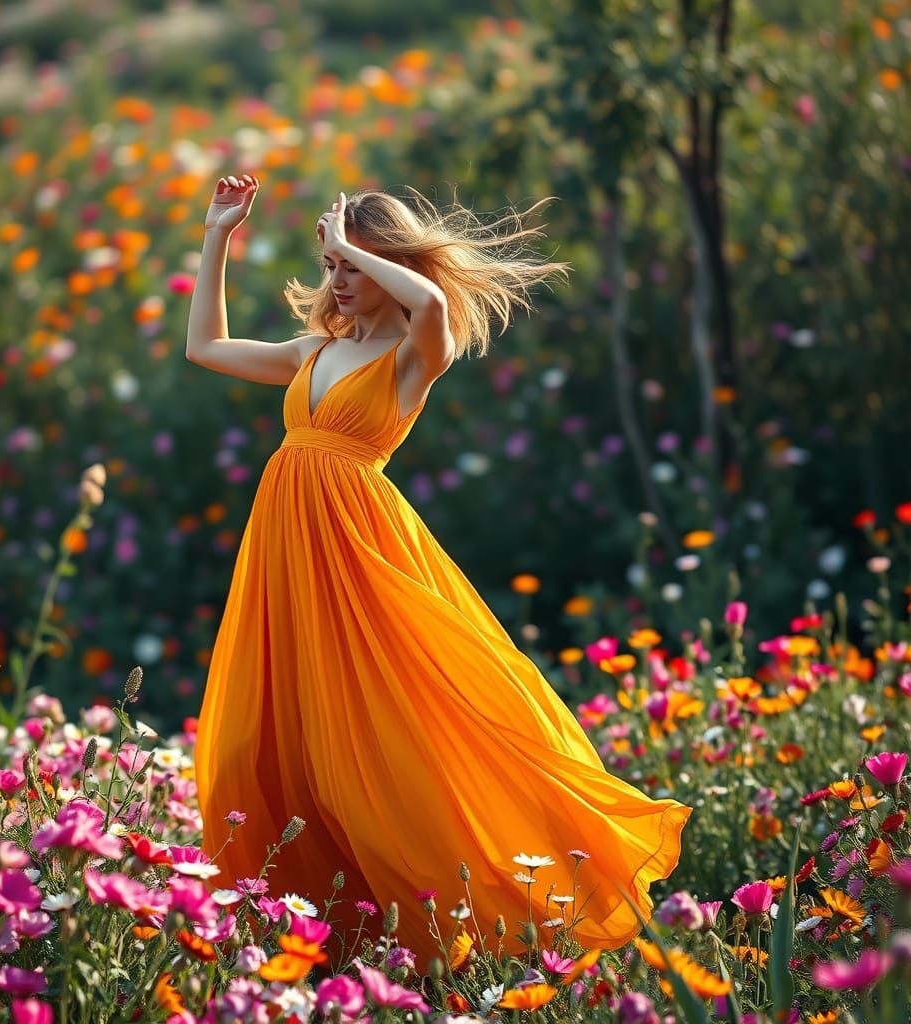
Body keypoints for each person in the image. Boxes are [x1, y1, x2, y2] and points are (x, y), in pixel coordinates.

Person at [187, 174, 691, 970]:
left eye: (351, 266)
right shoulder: (313, 350)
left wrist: (350, 241)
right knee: (272, 734)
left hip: (359, 550)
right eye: (329, 268)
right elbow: (204, 348)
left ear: (388, 261)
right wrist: (218, 234)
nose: (338, 281)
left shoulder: (417, 351)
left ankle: (468, 922)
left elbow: (426, 306)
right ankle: (320, 937)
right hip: (286, 550)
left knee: (399, 726)